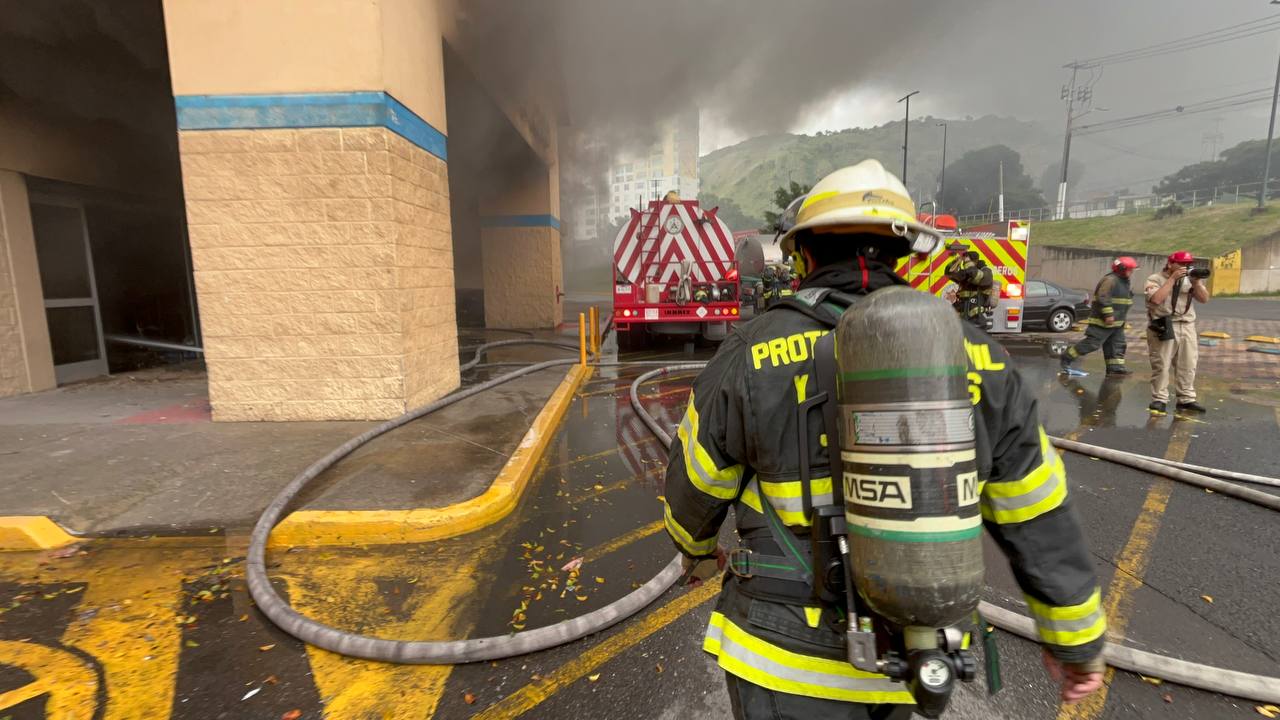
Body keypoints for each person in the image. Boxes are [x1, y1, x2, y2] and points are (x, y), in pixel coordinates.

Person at [661, 159, 1105, 720]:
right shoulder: (978, 354)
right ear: (905, 252)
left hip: (781, 660)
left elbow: (694, 483)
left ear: (803, 253)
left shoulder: (751, 351)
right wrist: (1076, 642)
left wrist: (698, 554)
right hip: (914, 659)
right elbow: (1036, 508)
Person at [1144, 251, 1209, 413]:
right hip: (1164, 324)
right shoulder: (1155, 279)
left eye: (1187, 264)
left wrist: (1197, 283)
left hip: (1186, 325)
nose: (1185, 268)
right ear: (1170, 263)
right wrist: (1172, 279)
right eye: (1181, 264)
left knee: (1188, 363)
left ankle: (1186, 399)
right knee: (1161, 363)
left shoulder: (1190, 279)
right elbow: (1157, 299)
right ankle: (1159, 399)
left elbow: (1204, 299)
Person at [1060, 257, 1139, 376]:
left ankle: (1115, 368)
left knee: (1117, 345)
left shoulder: (1124, 281)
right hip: (1103, 321)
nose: (1131, 272)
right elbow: (1103, 297)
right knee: (1092, 344)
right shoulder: (1110, 280)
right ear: (1121, 269)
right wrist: (1108, 314)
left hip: (1117, 323)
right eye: (1130, 269)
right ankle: (1067, 357)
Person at [944, 243, 997, 328]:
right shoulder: (966, 274)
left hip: (977, 321)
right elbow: (949, 274)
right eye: (964, 262)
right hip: (964, 319)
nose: (964, 264)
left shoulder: (986, 272)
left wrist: (968, 264)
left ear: (974, 262)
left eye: (966, 262)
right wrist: (957, 261)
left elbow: (977, 277)